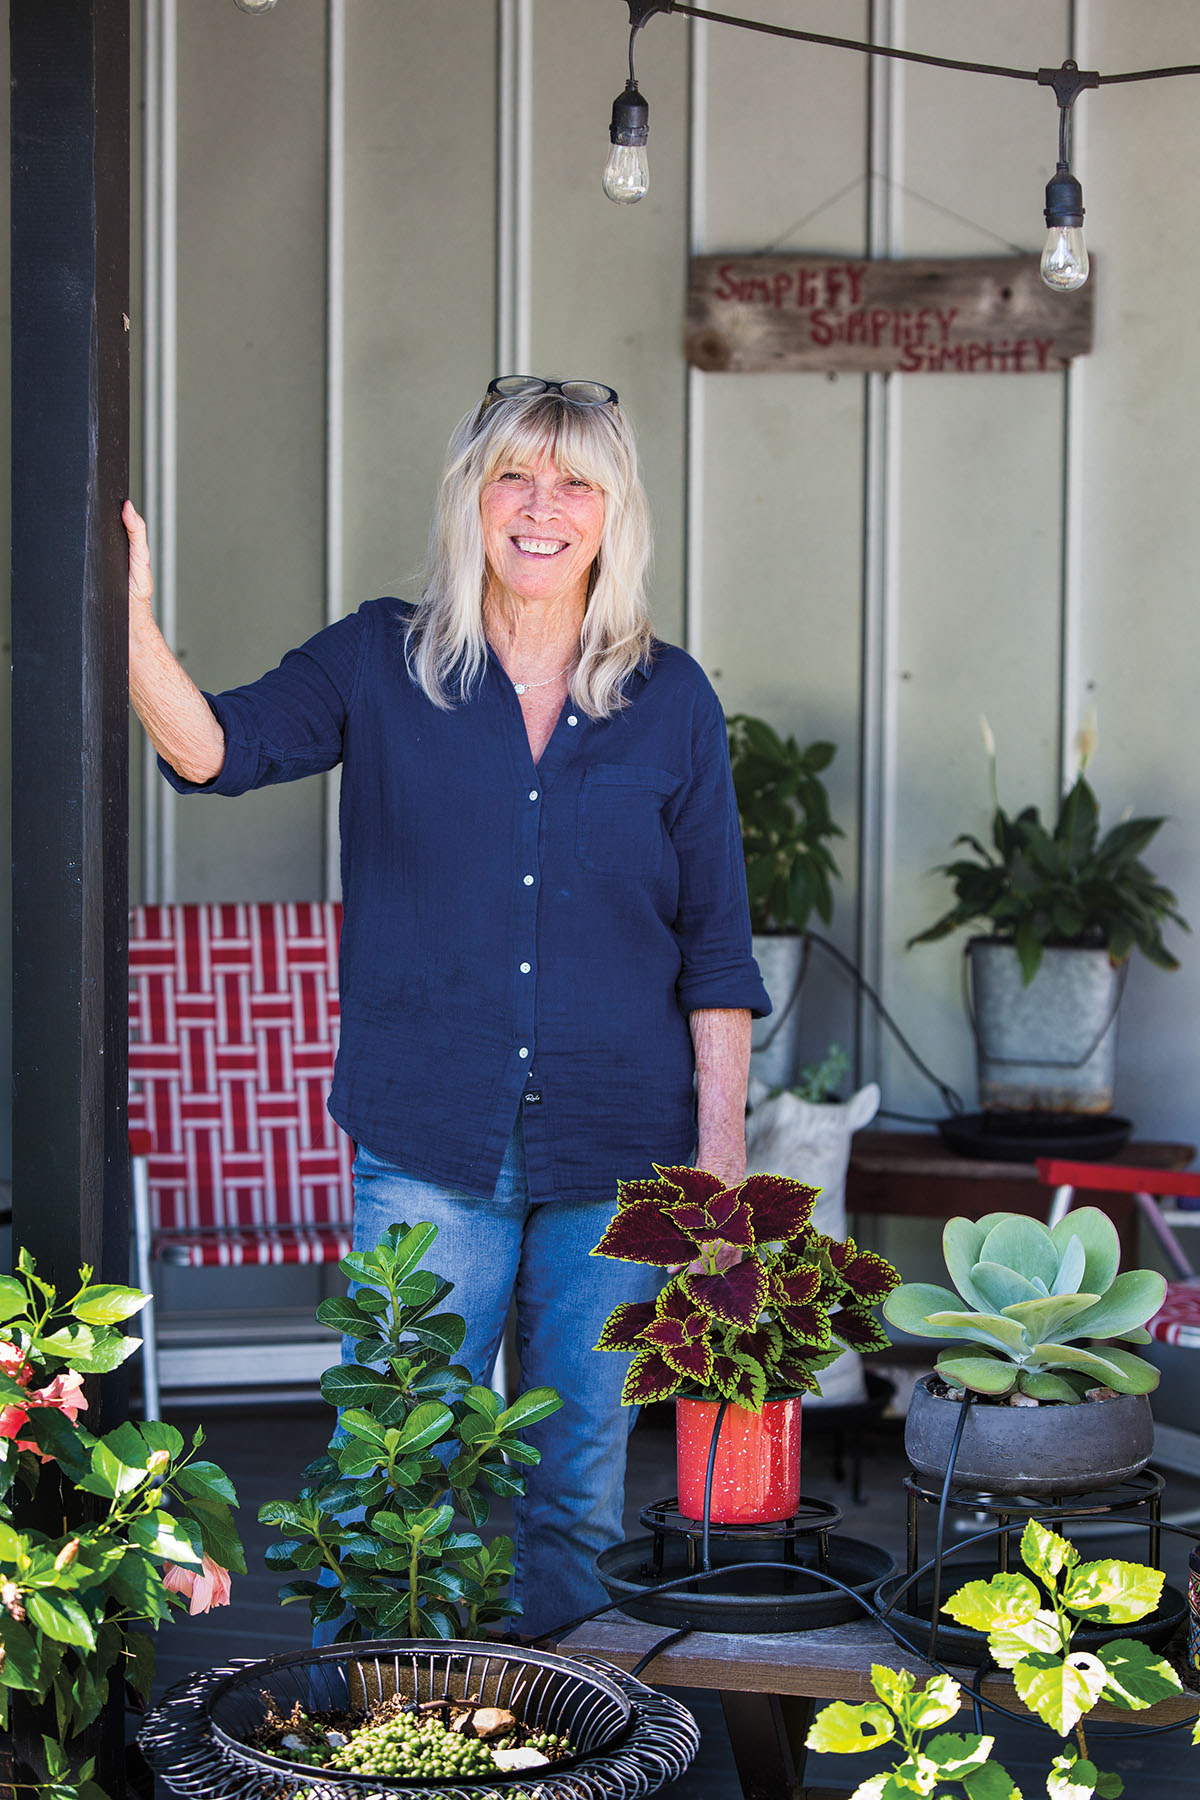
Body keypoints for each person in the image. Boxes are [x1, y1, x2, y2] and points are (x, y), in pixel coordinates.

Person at [124, 375, 769, 1638]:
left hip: (619, 1156)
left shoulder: (671, 698)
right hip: (430, 1148)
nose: (542, 508)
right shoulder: (382, 657)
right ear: (471, 497)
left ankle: (554, 1749)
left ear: (614, 511)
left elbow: (717, 951)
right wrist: (127, 619)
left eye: (576, 480)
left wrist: (723, 1175)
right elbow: (213, 750)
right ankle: (368, 1748)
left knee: (577, 1481)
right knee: (391, 1474)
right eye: (513, 477)